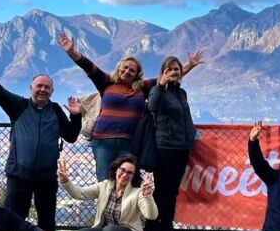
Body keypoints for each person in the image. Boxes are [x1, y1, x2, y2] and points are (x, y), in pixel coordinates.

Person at [0, 41, 81, 231]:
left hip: (46, 176)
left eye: (47, 87)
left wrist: (76, 116)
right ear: (31, 88)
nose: (43, 90)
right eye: (39, 86)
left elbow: (71, 136)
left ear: (52, 92)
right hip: (19, 174)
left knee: (47, 218)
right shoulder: (18, 106)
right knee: (14, 217)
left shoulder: (56, 111)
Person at [57, 32, 203, 182]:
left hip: (130, 143)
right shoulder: (106, 82)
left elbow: (167, 77)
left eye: (132, 70)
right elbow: (88, 66)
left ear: (137, 74)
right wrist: (71, 51)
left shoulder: (142, 88)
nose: (127, 72)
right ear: (119, 68)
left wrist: (189, 65)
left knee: (128, 183)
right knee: (105, 183)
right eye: (125, 68)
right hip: (103, 141)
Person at [144, 55, 198, 231]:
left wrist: (191, 136)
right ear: (163, 72)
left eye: (177, 69)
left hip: (181, 147)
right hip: (164, 146)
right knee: (161, 190)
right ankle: (152, 229)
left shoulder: (181, 93)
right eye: (170, 69)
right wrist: (160, 85)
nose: (174, 72)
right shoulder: (157, 90)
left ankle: (167, 228)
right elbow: (152, 107)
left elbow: (185, 117)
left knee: (172, 191)